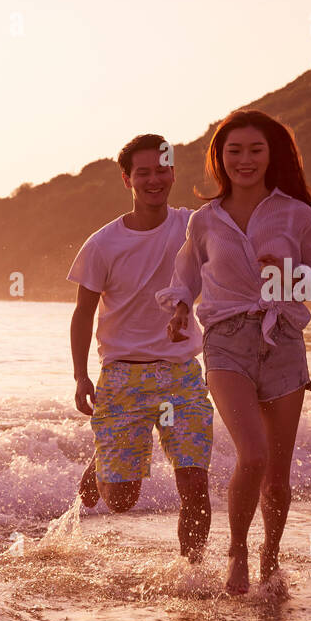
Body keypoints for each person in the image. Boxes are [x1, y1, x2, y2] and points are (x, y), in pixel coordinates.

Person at [158, 109, 311, 595]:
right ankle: (237, 551)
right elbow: (186, 276)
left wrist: (289, 271)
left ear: (271, 155)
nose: (244, 160)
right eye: (233, 151)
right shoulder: (203, 221)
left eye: (255, 150)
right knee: (250, 455)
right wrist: (178, 310)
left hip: (284, 342)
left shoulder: (298, 214)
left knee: (277, 475)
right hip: (226, 341)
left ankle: (270, 557)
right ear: (219, 158)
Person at [68, 133, 212, 561]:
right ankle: (101, 466)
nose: (154, 180)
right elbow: (82, 314)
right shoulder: (102, 244)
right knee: (122, 499)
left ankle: (193, 573)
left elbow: (238, 227)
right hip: (122, 375)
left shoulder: (193, 225)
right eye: (143, 172)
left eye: (162, 170)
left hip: (182, 373)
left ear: (173, 172)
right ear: (127, 179)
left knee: (194, 482)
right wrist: (80, 375)